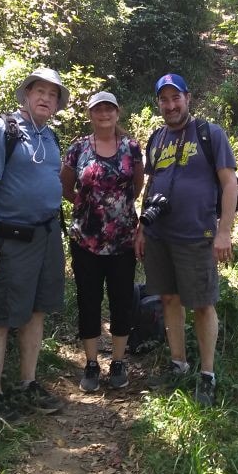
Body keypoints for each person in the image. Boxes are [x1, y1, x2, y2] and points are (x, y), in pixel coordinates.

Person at [0, 66, 68, 421]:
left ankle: (28, 383)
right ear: (26, 94)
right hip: (10, 239)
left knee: (36, 311)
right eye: (38, 90)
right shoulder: (1, 131)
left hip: (47, 235)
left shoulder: (51, 138)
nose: (45, 97)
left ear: (57, 104)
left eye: (52, 94)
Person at [133, 73, 238, 407]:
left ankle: (207, 375)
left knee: (203, 304)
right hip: (160, 235)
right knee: (167, 299)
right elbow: (152, 186)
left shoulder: (210, 134)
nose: (170, 105)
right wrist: (140, 228)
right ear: (158, 104)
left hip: (197, 235)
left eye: (175, 98)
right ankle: (178, 364)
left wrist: (224, 231)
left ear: (187, 98)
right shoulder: (156, 139)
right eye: (164, 100)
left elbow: (229, 183)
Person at [60, 91, 144, 392]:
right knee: (88, 301)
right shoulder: (78, 148)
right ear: (90, 114)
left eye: (109, 109)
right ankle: (92, 363)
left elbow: (136, 186)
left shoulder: (131, 148)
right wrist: (90, 208)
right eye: (98, 109)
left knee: (122, 300)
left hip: (122, 240)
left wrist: (116, 212)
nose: (104, 114)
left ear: (117, 113)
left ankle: (118, 361)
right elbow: (66, 187)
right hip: (86, 241)